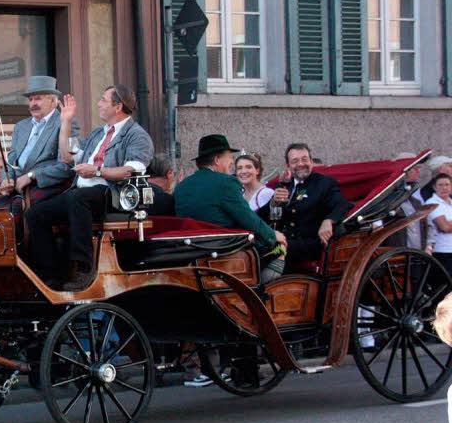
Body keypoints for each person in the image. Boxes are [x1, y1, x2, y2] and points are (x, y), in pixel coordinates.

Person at [25, 85, 153, 291]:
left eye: (103, 100)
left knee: (79, 198)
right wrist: (65, 120)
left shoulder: (137, 135)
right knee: (35, 213)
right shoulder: (97, 134)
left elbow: (131, 171)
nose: (99, 104)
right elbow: (68, 156)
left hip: (113, 194)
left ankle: (83, 268)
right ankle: (50, 275)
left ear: (118, 106)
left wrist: (97, 171)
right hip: (83, 193)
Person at [174, 134, 287, 283]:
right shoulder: (226, 182)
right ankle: (260, 295)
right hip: (224, 251)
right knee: (280, 248)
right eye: (229, 157)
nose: (232, 162)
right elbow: (248, 218)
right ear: (216, 160)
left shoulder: (182, 186)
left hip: (192, 253)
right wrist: (273, 235)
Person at [260, 142, 351, 267]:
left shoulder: (324, 183)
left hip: (310, 245)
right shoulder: (283, 185)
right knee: (253, 250)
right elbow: (262, 217)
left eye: (304, 159)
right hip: (283, 242)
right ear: (288, 166)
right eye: (295, 161)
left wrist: (329, 220)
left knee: (266, 254)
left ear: (311, 162)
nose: (301, 164)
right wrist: (273, 203)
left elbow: (342, 205)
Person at [4, 75, 79, 196]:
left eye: (38, 99)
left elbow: (68, 167)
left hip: (44, 187)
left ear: (53, 101)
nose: (33, 104)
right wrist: (6, 179)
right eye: (30, 99)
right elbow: (11, 160)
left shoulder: (67, 123)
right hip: (15, 188)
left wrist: (32, 175)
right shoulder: (21, 126)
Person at [388, 152, 428, 250]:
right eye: (416, 168)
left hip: (417, 254)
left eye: (419, 168)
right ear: (405, 170)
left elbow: (425, 226)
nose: (418, 172)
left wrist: (429, 246)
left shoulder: (415, 202)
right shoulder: (389, 201)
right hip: (397, 254)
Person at [426, 173, 452, 275]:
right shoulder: (432, 203)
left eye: (447, 184)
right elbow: (444, 227)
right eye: (440, 185)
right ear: (434, 187)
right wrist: (447, 224)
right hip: (442, 251)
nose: (444, 188)